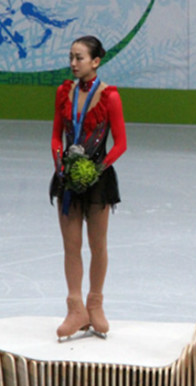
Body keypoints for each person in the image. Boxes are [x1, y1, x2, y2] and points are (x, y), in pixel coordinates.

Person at [49, 35, 127, 341]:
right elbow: (56, 135)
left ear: (95, 61)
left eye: (79, 58)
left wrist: (96, 169)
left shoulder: (110, 97)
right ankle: (75, 308)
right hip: (67, 178)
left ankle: (95, 304)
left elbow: (121, 143)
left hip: (98, 180)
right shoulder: (63, 92)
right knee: (71, 246)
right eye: (71, 57)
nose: (73, 63)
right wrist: (61, 165)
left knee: (97, 245)